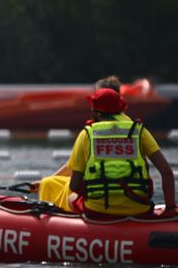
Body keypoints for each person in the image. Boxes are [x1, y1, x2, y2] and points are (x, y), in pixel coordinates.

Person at [63, 87, 176, 219]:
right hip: (139, 209)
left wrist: (95, 194)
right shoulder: (138, 131)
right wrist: (170, 208)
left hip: (98, 210)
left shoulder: (86, 134)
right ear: (121, 109)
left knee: (72, 198)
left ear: (96, 112)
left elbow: (74, 185)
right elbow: (166, 171)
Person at [36, 75, 125, 211]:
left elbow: (74, 178)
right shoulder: (136, 130)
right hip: (129, 193)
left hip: (98, 195)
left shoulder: (88, 133)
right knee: (48, 182)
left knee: (50, 185)